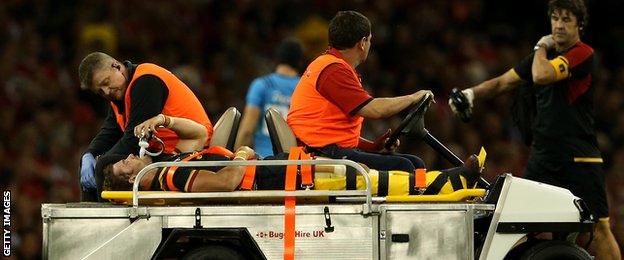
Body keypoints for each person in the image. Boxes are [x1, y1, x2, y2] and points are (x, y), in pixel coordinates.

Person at [448, 0, 620, 258]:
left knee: (599, 226)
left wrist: (541, 46)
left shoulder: (582, 53)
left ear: (579, 26)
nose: (559, 25)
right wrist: (470, 94)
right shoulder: (541, 58)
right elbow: (502, 82)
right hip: (543, 156)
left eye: (566, 20)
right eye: (555, 18)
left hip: (578, 156)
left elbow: (542, 75)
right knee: (525, 221)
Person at [97, 114, 482, 195]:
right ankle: (439, 187)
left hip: (274, 171)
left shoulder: (170, 164)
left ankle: (440, 182)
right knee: (355, 175)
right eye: (126, 162)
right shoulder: (168, 177)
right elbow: (228, 181)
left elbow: (199, 133)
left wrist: (163, 119)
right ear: (132, 178)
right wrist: (244, 155)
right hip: (269, 177)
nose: (132, 156)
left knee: (357, 170)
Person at [286, 11, 433, 174]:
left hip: (326, 149)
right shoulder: (333, 71)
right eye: (369, 39)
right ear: (362, 43)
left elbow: (335, 131)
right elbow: (374, 109)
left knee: (414, 162)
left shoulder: (331, 66)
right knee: (405, 166)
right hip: (321, 153)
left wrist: (373, 147)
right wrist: (413, 97)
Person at [78, 52, 213, 201]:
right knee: (93, 164)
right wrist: (89, 154)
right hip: (164, 152)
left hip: (190, 146)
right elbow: (109, 132)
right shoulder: (120, 95)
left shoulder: (146, 81)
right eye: (100, 91)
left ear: (116, 66)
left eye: (106, 83)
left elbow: (133, 140)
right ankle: (89, 217)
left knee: (105, 165)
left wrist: (100, 163)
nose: (106, 92)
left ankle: (102, 220)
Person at [235, 38, 305, 158]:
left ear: (278, 59)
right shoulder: (304, 87)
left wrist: (235, 156)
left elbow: (247, 130)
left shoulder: (262, 85)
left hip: (264, 160)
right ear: (300, 62)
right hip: (293, 163)